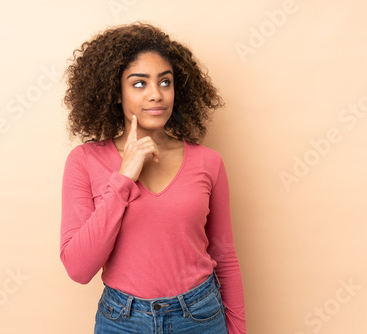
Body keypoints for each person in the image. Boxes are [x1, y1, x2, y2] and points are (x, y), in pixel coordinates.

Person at [60, 22, 246, 334]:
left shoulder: (208, 162)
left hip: (200, 317)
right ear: (116, 93)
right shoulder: (84, 161)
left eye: (165, 82)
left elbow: (224, 257)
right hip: (122, 321)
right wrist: (124, 178)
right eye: (139, 84)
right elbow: (79, 268)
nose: (156, 95)